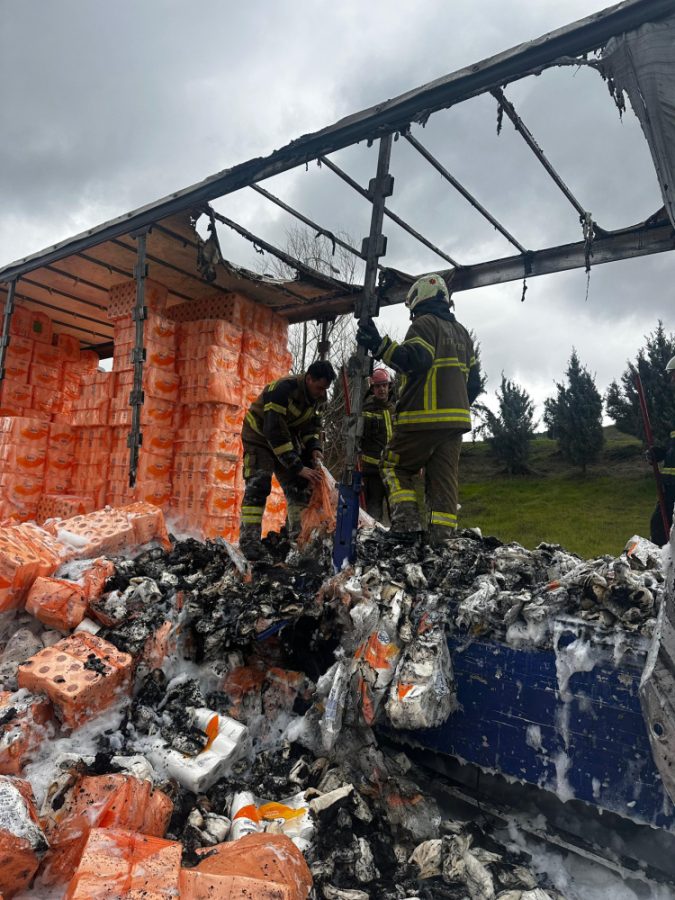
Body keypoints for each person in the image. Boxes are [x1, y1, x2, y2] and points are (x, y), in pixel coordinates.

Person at [356, 273, 481, 546]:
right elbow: (474, 383)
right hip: (455, 422)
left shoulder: (424, 324)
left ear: (419, 298)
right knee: (443, 483)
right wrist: (455, 406)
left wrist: (380, 345)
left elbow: (415, 360)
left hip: (421, 417)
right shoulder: (462, 334)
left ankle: (407, 527)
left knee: (391, 464)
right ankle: (442, 542)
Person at [239, 360, 336, 560]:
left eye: (324, 389)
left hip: (287, 438)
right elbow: (273, 431)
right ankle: (250, 543)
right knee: (259, 484)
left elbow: (312, 428)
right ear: (309, 379)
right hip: (259, 437)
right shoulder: (282, 390)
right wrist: (297, 466)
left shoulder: (318, 398)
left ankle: (298, 539)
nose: (321, 393)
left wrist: (315, 449)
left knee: (300, 486)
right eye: (319, 387)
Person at [360, 368, 395, 521]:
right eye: (378, 386)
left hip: (393, 470)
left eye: (384, 385)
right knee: (373, 513)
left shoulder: (395, 409)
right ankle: (372, 542)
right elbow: (358, 440)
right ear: (372, 388)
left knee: (397, 511)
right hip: (372, 472)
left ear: (389, 386)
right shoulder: (365, 410)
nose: (381, 389)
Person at [649, 355, 675, 546]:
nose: (671, 380)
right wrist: (660, 453)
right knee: (658, 528)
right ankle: (663, 572)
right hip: (670, 489)